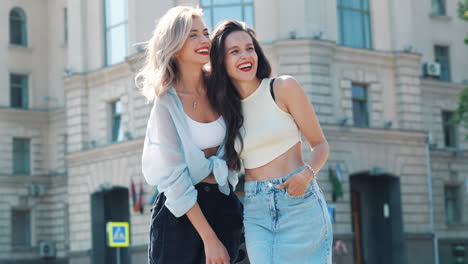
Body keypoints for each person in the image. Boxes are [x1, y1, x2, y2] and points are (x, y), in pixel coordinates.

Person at [208, 20, 333, 264]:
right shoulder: (224, 111)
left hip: (299, 202)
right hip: (256, 209)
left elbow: (320, 144)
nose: (245, 56)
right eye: (234, 51)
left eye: (249, 48)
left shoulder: (284, 87)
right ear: (221, 61)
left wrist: (306, 174)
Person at [137, 7, 243, 264]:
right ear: (174, 45)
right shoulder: (166, 103)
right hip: (180, 215)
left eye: (205, 33)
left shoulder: (223, 89)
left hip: (225, 204)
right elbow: (174, 179)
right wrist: (210, 239)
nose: (204, 40)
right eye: (192, 34)